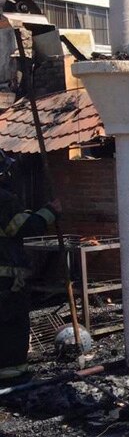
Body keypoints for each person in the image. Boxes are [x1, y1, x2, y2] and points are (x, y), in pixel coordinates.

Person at [0, 157, 60, 381]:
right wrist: (50, 211)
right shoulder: (4, 199)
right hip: (7, 280)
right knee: (11, 323)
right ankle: (12, 372)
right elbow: (25, 227)